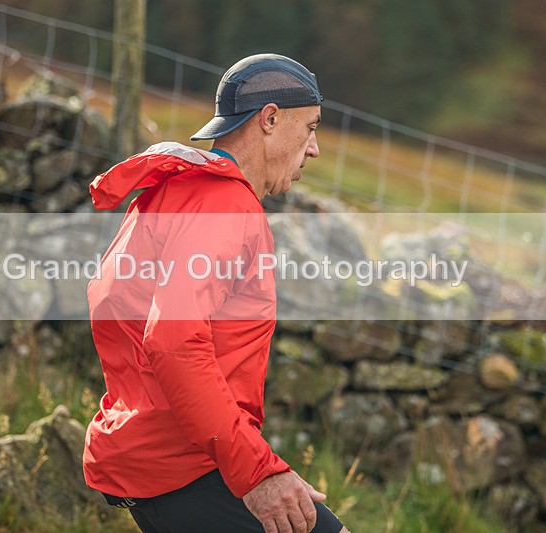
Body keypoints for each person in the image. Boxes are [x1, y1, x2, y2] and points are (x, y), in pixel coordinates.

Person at [84, 53, 349, 533]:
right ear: (269, 119)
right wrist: (256, 473)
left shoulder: (173, 191)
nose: (314, 149)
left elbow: (111, 304)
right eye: (310, 128)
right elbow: (172, 340)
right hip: (185, 462)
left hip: (156, 449)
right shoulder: (226, 207)